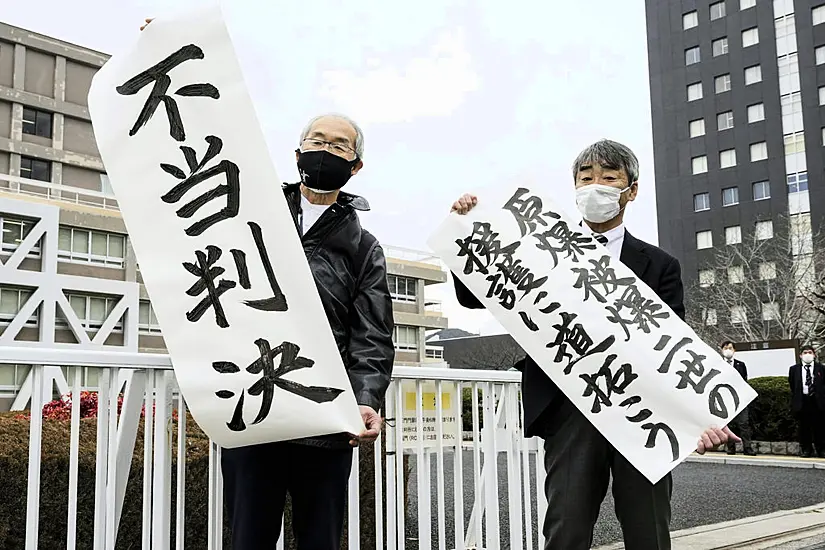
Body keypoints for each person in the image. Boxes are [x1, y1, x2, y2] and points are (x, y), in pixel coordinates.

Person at [139, 20, 395, 549]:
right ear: (297, 151)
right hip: (251, 403)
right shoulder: (249, 208)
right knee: (247, 536)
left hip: (325, 417)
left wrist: (367, 399)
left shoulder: (365, 247)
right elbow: (198, 139)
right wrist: (158, 49)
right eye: (316, 140)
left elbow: (373, 337)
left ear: (357, 164)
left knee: (321, 537)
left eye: (340, 145)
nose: (327, 149)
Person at [450, 139, 738, 550]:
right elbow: (476, 293)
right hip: (570, 408)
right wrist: (467, 229)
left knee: (649, 529)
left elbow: (674, 347)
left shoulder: (659, 265)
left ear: (631, 190)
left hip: (643, 416)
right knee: (566, 525)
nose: (595, 187)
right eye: (586, 179)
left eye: (609, 178)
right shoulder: (540, 248)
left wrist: (700, 415)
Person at [720, 341, 756, 456]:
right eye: (725, 348)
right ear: (722, 350)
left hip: (740, 399)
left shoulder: (741, 365)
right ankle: (731, 448)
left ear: (734, 350)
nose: (728, 350)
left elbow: (744, 381)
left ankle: (747, 447)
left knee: (744, 423)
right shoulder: (718, 364)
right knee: (728, 424)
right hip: (725, 399)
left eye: (730, 348)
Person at [789, 345, 825, 459]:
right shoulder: (794, 369)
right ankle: (806, 449)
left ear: (814, 355)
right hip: (802, 401)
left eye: (810, 352)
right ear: (801, 355)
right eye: (805, 352)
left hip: (817, 401)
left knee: (819, 427)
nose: (808, 354)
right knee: (804, 427)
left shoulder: (821, 368)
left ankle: (821, 449)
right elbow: (792, 384)